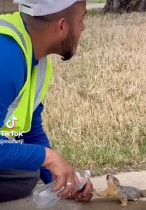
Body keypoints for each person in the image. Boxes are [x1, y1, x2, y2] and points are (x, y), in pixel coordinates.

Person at [0, 0, 93, 202]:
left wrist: (64, 183)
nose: (83, 27)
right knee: (23, 175)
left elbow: (30, 133)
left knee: (24, 172)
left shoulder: (35, 58)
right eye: (82, 18)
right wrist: (48, 157)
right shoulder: (6, 58)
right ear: (62, 26)